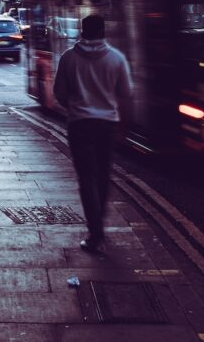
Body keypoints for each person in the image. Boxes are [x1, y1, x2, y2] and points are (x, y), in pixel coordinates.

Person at [53, 14, 132, 253]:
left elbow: (59, 93)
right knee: (103, 175)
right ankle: (100, 227)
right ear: (103, 32)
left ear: (82, 31)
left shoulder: (68, 58)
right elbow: (125, 93)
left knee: (86, 178)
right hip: (106, 124)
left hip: (79, 125)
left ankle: (95, 232)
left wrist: (75, 107)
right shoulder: (117, 59)